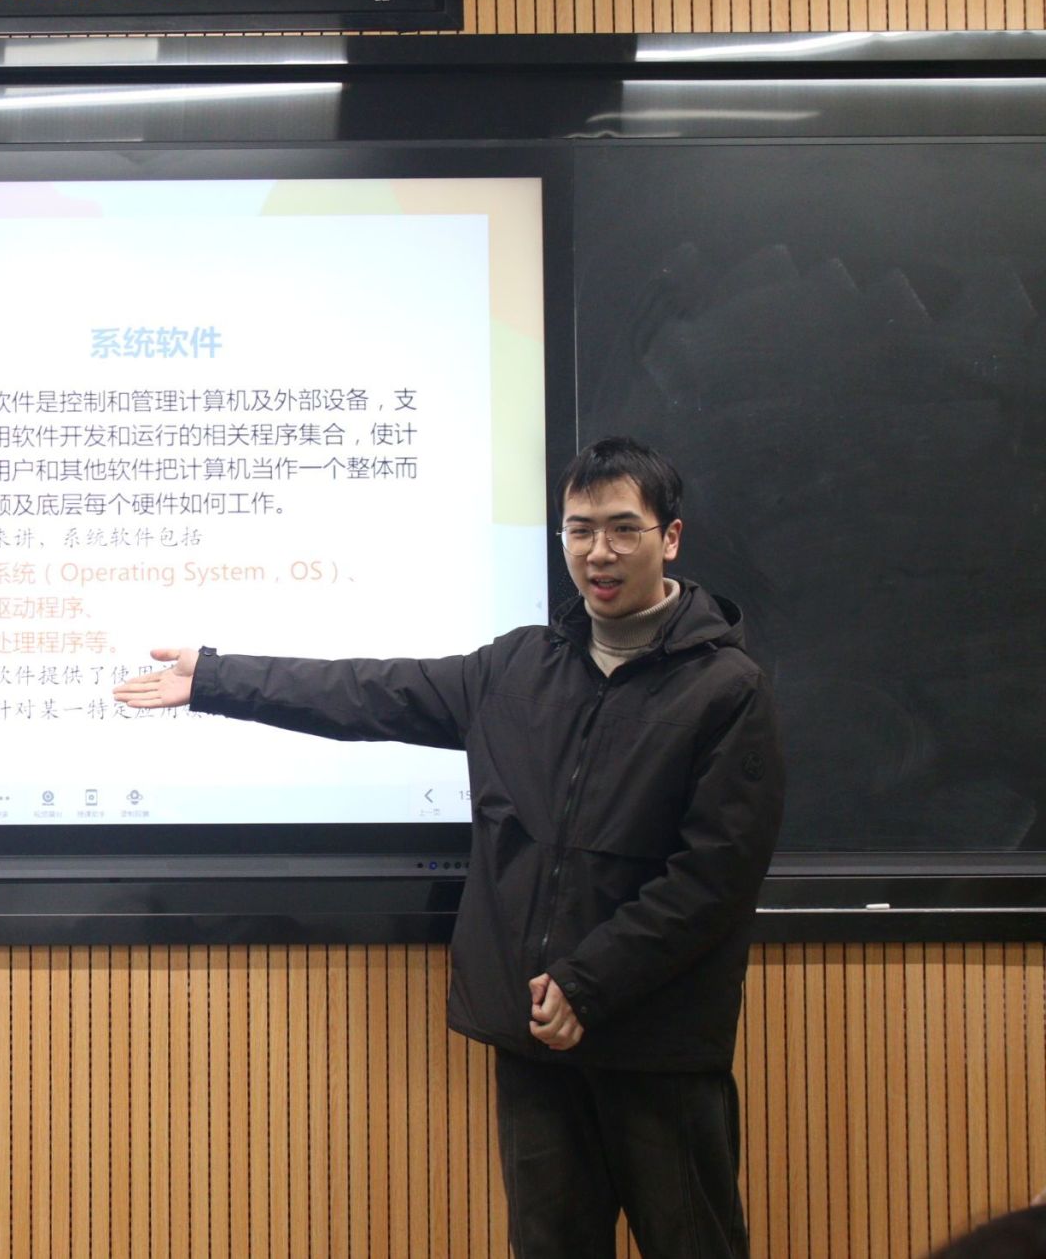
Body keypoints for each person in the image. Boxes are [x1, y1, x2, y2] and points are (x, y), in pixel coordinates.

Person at [113, 437, 785, 1259]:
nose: (598, 552)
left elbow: (713, 879)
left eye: (622, 528)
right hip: (536, 1038)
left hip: (657, 1044)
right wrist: (216, 678)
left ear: (669, 537)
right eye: (579, 530)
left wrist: (588, 983)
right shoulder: (518, 668)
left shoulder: (725, 690)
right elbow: (368, 691)